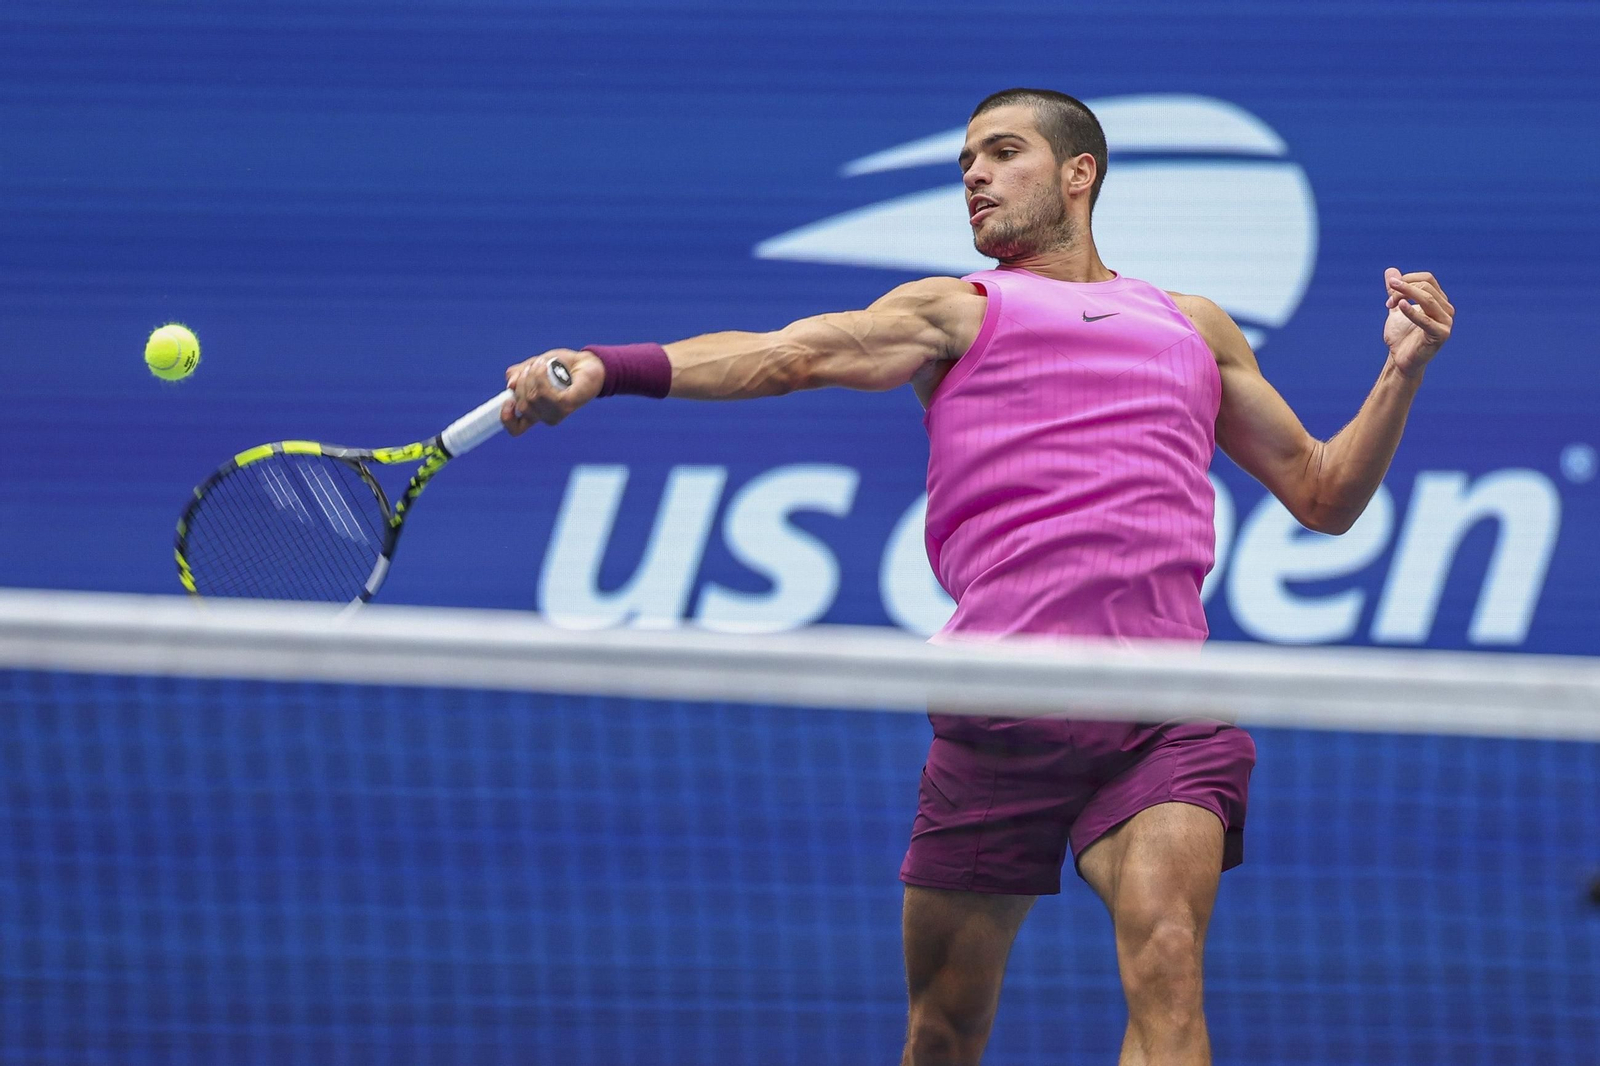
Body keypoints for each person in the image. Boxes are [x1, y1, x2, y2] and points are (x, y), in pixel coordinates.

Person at [500, 87, 1454, 1066]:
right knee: (945, 1030)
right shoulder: (953, 311)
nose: (975, 177)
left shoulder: (1193, 326)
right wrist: (609, 367)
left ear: (1078, 173)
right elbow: (786, 356)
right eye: (965, 162)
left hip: (1161, 713)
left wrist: (1402, 370)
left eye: (1002, 153)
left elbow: (1322, 492)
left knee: (1168, 966)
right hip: (999, 712)